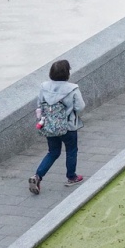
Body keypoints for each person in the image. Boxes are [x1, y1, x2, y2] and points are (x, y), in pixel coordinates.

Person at [29, 59, 86, 193]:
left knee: (53, 152)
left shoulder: (44, 86)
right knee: (71, 150)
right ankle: (71, 177)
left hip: (50, 126)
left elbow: (40, 104)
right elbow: (80, 107)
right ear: (67, 73)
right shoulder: (72, 88)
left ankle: (37, 176)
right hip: (68, 126)